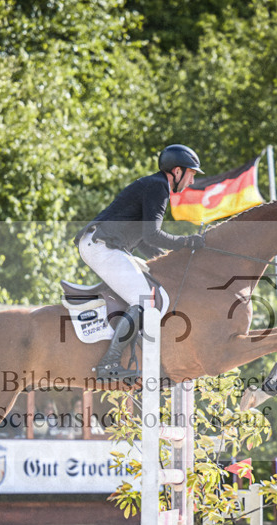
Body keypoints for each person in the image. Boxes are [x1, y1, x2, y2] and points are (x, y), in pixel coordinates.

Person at [75, 144, 207, 382]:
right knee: (145, 299)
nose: (192, 180)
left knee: (153, 290)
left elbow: (145, 242)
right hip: (102, 247)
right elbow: (152, 235)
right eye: (191, 173)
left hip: (104, 245)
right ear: (177, 171)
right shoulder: (158, 188)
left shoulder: (153, 185)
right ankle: (109, 363)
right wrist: (187, 242)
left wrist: (167, 261)